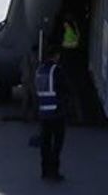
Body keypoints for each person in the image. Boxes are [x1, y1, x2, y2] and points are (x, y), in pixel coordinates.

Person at [35, 45, 67, 181]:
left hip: (43, 112)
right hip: (56, 112)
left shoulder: (40, 70)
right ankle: (54, 171)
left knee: (45, 143)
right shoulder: (56, 70)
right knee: (57, 144)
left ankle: (44, 170)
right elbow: (64, 89)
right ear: (55, 56)